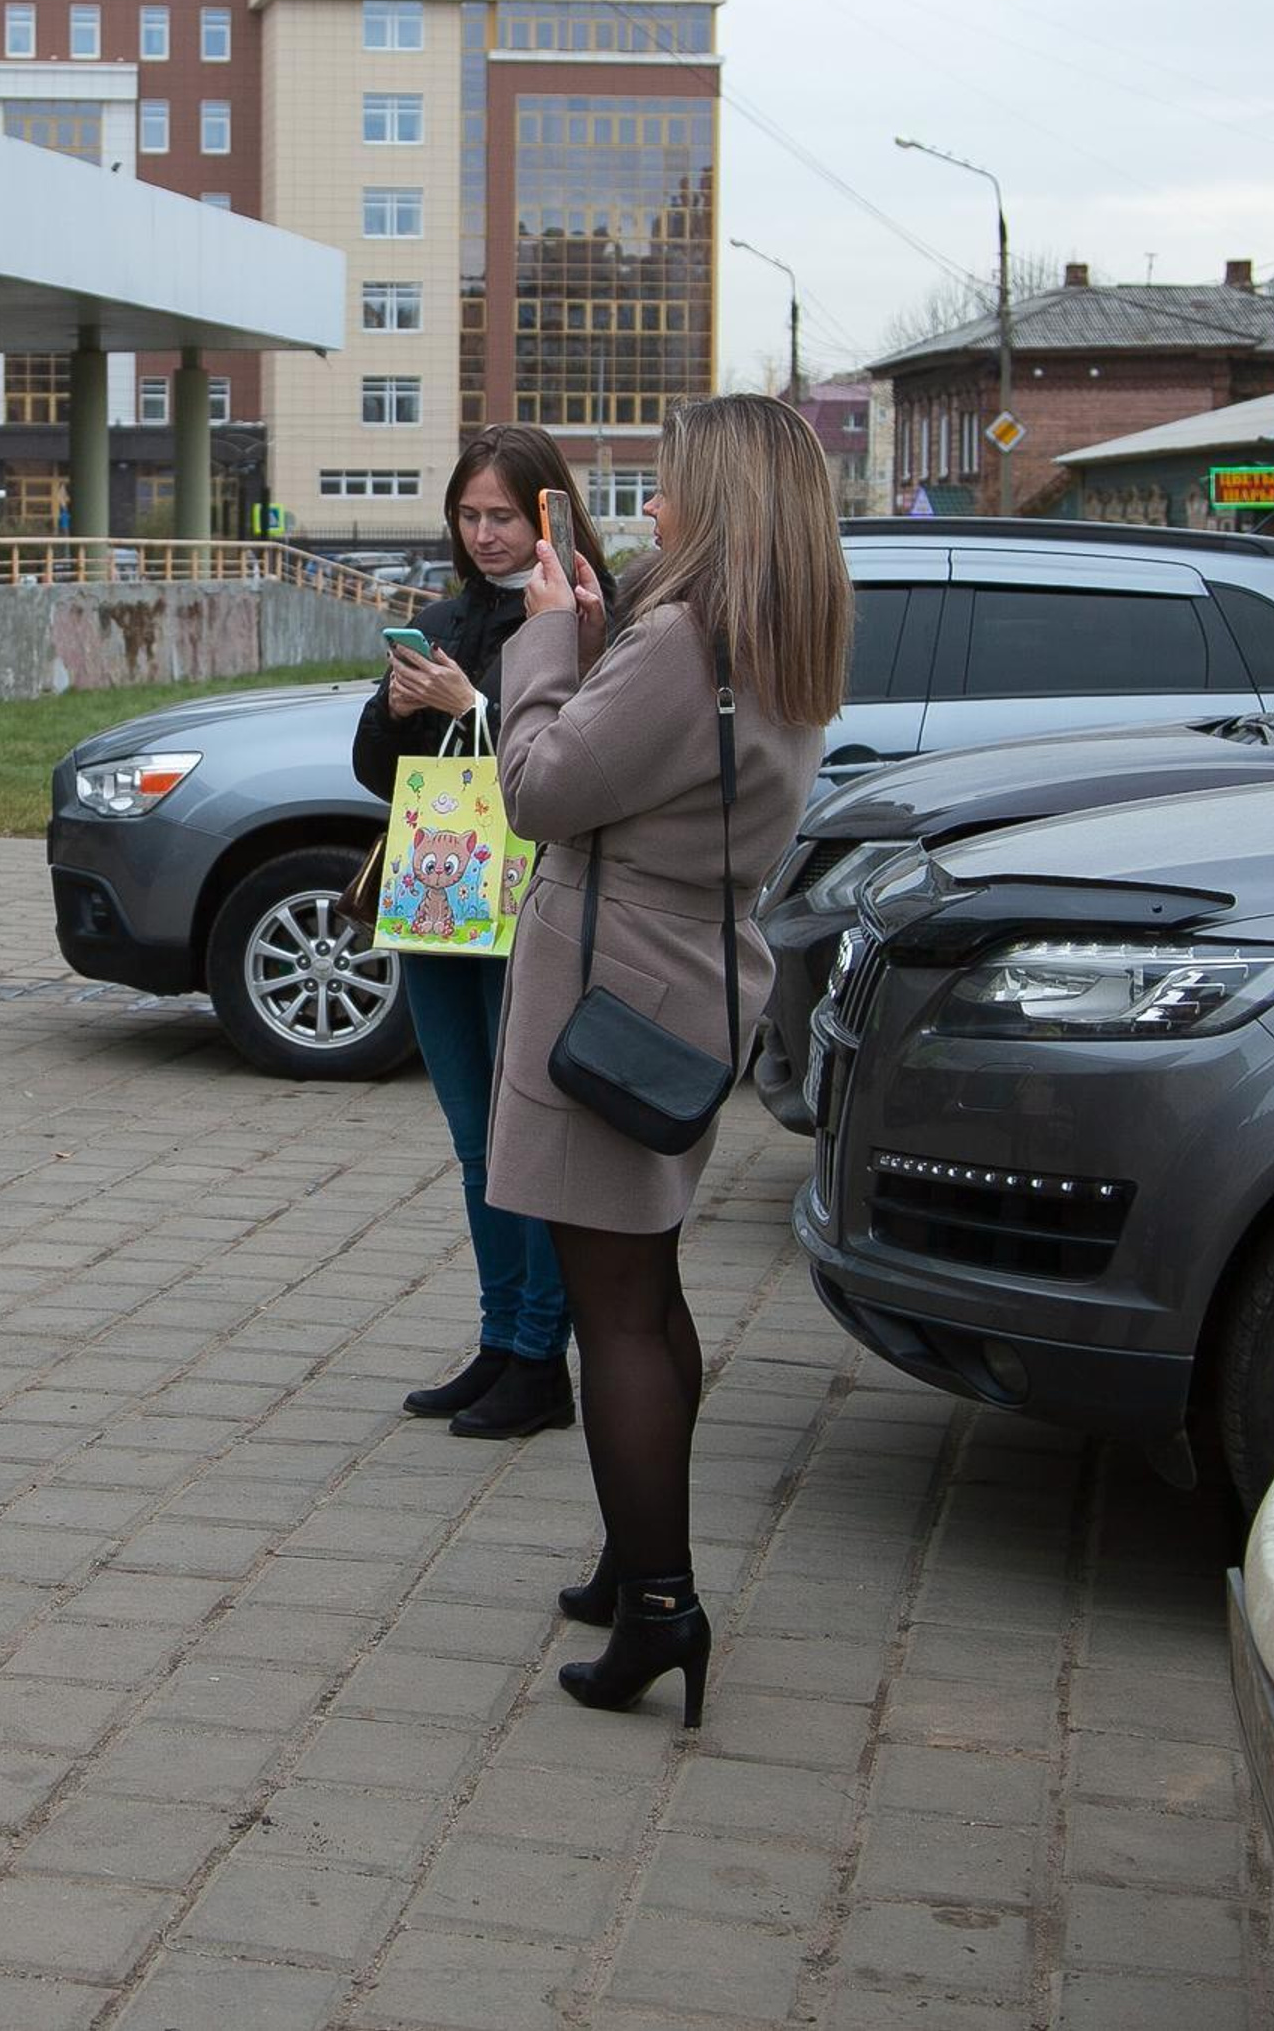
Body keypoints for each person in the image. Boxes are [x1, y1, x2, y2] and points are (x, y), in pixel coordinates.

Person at [490, 395, 851, 1723]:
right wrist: (595, 633)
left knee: (618, 1311)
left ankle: (660, 1602)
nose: (650, 509)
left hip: (612, 990)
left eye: (666, 487)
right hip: (691, 976)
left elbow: (536, 786)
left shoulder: (685, 642)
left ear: (722, 502)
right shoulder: (779, 639)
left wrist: (544, 641)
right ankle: (632, 1553)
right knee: (648, 1286)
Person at [352, 425, 614, 1440]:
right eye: (469, 516)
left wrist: (472, 703)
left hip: (534, 907)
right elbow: (381, 772)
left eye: (502, 514)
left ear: (548, 509)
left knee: (526, 1143)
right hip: (440, 901)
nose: (485, 533)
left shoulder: (582, 612)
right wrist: (395, 702)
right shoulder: (442, 616)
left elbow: (573, 761)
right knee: (474, 1142)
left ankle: (543, 1352)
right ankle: (499, 1339)